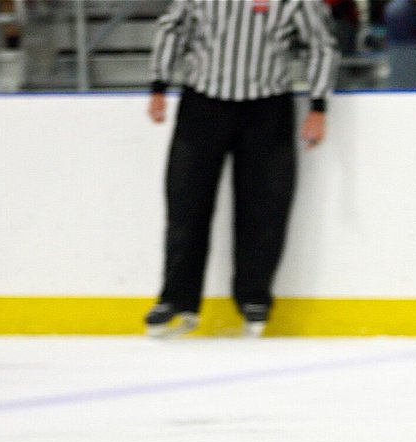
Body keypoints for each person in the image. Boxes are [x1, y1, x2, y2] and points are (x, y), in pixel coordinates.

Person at [144, 0, 339, 337]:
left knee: (265, 207)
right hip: (203, 102)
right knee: (186, 203)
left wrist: (318, 106)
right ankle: (176, 298)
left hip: (267, 106)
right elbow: (171, 28)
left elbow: (321, 43)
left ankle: (254, 297)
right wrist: (159, 86)